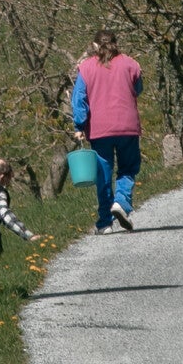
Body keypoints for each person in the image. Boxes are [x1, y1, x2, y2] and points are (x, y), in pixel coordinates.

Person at [73, 29, 141, 234]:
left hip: (99, 129)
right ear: (116, 43)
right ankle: (121, 201)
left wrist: (79, 125)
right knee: (127, 168)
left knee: (103, 174)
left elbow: (79, 99)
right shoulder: (130, 63)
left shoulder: (86, 68)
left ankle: (105, 223)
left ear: (95, 45)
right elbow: (138, 89)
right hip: (127, 125)